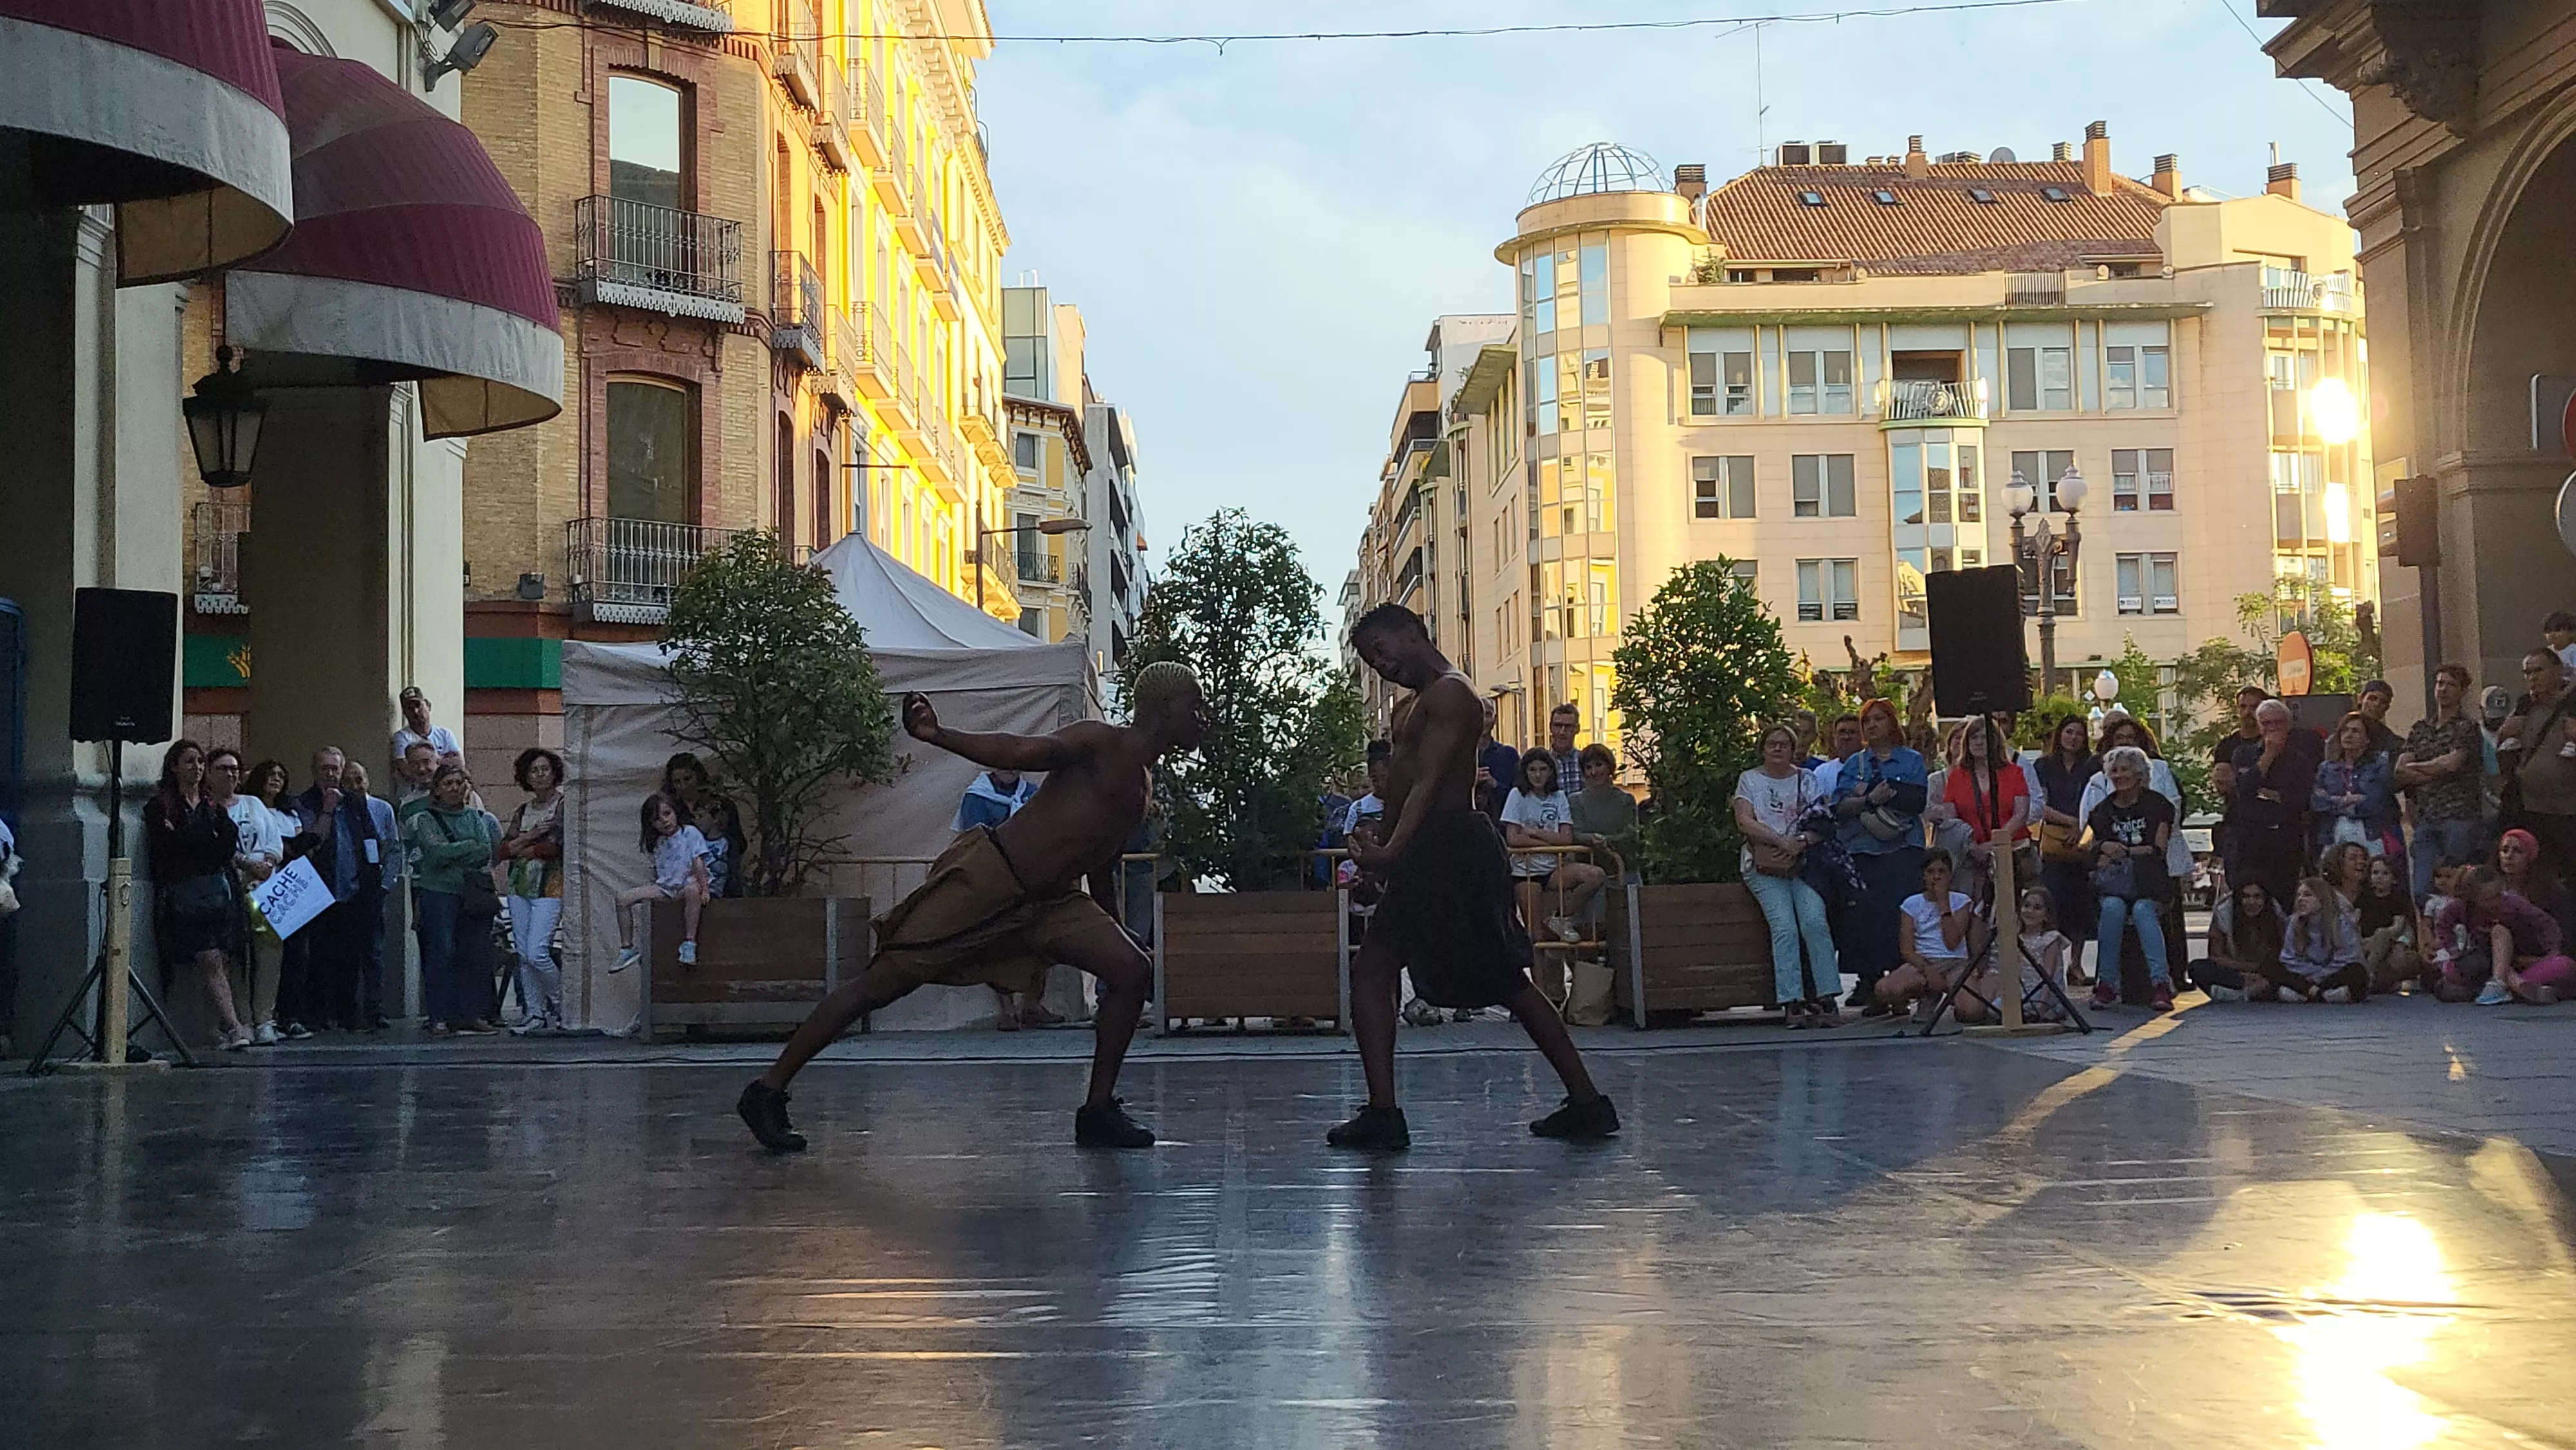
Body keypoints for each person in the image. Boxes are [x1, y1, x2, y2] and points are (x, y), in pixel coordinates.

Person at [737, 662, 1211, 1154]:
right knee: (879, 985)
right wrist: (938, 734)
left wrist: (1113, 925)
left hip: (1052, 903)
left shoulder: (1142, 783)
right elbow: (1019, 751)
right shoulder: (1099, 742)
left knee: (1131, 969)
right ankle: (767, 1090)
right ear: (1163, 708)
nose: (1203, 716)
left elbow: (1101, 859)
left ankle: (1098, 1111)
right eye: (1194, 704)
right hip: (991, 879)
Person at [1326, 603, 1615, 1150]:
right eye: (1369, 660)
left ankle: (1587, 1100)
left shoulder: (1453, 695)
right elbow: (1403, 785)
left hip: (1451, 852)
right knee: (1374, 969)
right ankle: (1383, 1111)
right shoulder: (1416, 704)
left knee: (1504, 980)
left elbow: (1429, 784)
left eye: (1381, 650)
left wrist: (1390, 852)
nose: (1380, 665)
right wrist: (1383, 852)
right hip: (1426, 852)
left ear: (1413, 633)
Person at [146, 740, 251, 1050]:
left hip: (216, 892)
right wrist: (201, 841)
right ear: (174, 767)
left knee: (221, 958)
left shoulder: (212, 807)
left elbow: (225, 846)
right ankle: (233, 1026)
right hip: (184, 895)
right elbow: (169, 850)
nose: (197, 768)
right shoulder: (162, 806)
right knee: (209, 957)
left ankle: (215, 1028)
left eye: (201, 762)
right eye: (190, 762)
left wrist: (192, 840)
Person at [1734, 723, 1840, 1026]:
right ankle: (1791, 999)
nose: (1778, 748)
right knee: (1784, 927)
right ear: (1763, 749)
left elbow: (1823, 822)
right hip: (1765, 864)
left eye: (1784, 744)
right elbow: (1744, 820)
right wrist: (1780, 841)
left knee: (1815, 923)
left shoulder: (1807, 779)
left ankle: (1826, 995)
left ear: (1794, 750)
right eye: (1772, 743)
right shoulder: (1749, 780)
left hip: (1804, 864)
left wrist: (1801, 842)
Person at [1830, 697, 1929, 1011]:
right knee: (1864, 920)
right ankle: (1870, 986)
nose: (1872, 725)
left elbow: (1916, 801)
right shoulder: (1854, 764)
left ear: (1891, 723)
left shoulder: (1911, 760)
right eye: (1867, 721)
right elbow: (1840, 806)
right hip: (1862, 850)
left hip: (1903, 849)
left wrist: (1874, 793)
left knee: (1899, 918)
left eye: (1878, 719)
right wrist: (1872, 798)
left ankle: (1899, 989)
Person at [949, 764, 1044, 1027]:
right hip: (994, 877)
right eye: (1006, 763)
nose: (1012, 769)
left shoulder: (1032, 793)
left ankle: (1032, 1004)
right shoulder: (977, 796)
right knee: (999, 942)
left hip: (1031, 876)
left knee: (1039, 937)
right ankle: (1007, 1010)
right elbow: (975, 838)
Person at [408, 764, 498, 1037]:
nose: (455, 788)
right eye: (448, 783)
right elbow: (435, 854)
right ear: (437, 789)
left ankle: (470, 1014)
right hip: (438, 893)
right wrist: (467, 846)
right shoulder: (426, 818)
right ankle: (439, 1016)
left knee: (471, 953)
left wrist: (455, 851)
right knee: (441, 952)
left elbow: (485, 851)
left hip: (470, 894)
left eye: (459, 783)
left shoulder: (474, 817)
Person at [2087, 745, 2178, 1012]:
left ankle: (2160, 983)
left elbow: (2157, 849)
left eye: (2125, 769)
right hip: (2115, 885)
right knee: (2112, 908)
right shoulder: (2102, 810)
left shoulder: (2158, 805)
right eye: (2114, 770)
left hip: (2150, 884)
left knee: (2142, 910)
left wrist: (2123, 851)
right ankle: (2107, 984)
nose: (2119, 775)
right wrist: (2105, 847)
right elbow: (2094, 852)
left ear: (2139, 773)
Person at [2397, 664, 2494, 900]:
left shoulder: (2467, 728)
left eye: (2451, 685)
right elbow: (2400, 770)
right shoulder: (2420, 729)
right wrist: (2433, 770)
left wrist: (2418, 770)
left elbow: (2451, 764)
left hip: (2459, 818)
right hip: (2427, 816)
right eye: (2440, 683)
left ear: (2462, 691)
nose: (2444, 689)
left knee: (2456, 887)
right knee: (2422, 890)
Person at [317, 760, 398, 1031]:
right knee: (346, 955)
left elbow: (393, 848)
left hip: (373, 891)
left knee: (374, 953)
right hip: (345, 892)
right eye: (349, 782)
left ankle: (375, 1010)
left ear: (367, 780)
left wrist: (386, 884)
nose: (355, 786)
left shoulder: (382, 809)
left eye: (359, 780)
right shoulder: (339, 811)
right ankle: (346, 1012)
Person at [1501, 751, 1606, 947]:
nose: (1538, 775)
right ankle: (1537, 968)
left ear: (1551, 772)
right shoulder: (1517, 795)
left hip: (1554, 869)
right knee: (1537, 937)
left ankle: (1561, 918)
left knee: (1595, 875)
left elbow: (1566, 838)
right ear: (1525, 772)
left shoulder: (1559, 797)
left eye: (1543, 769)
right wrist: (1551, 844)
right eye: (1532, 770)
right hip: (1526, 873)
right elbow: (1513, 838)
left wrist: (1535, 833)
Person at [222, 753, 292, 1044]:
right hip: (230, 886)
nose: (230, 775)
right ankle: (243, 1019)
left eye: (235, 769)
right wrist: (246, 865)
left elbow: (273, 839)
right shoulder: (210, 807)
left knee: (269, 949)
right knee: (236, 953)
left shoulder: (253, 804)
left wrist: (268, 863)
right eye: (223, 769)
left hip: (263, 887)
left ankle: (265, 1018)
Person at [498, 748, 567, 1035]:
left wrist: (524, 848)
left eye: (544, 769)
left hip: (551, 886)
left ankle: (563, 1005)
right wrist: (533, 836)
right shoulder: (523, 811)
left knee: (538, 951)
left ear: (554, 773)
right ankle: (534, 1013)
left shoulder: (563, 805)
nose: (539, 775)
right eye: (533, 771)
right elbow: (503, 850)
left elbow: (557, 848)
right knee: (524, 955)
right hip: (519, 886)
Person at [1878, 852, 1993, 1022]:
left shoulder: (1962, 901)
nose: (1936, 877)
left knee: (1972, 1012)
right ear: (1924, 875)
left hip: (1955, 962)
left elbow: (1952, 942)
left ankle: (1955, 999)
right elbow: (1907, 949)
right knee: (1886, 989)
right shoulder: (1911, 904)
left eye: (1942, 872)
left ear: (1950, 875)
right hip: (1923, 961)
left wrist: (1943, 903)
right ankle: (1927, 996)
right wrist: (1928, 969)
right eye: (1931, 872)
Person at [2226, 699, 2318, 909]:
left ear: (2288, 725)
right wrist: (2268, 756)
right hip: (2251, 839)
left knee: (2285, 899)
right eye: (2267, 723)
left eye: (2278, 722)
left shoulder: (2300, 760)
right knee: (2250, 897)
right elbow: (2244, 790)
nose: (2273, 728)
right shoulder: (2244, 754)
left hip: (2285, 839)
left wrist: (2272, 795)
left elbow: (2302, 799)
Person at [2032, 716, 2099, 985]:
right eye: (2069, 732)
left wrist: (2082, 826)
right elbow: (2040, 804)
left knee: (2081, 905)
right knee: (2053, 902)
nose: (2073, 738)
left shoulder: (2092, 766)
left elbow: (2098, 802)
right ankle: (2052, 965)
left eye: (2079, 734)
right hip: (2055, 841)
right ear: (2059, 734)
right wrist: (2070, 821)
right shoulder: (2044, 766)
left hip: (2084, 841)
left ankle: (2076, 964)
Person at [2499, 649, 2576, 881]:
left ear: (2558, 670)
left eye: (2539, 670)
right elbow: (2504, 754)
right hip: (2531, 809)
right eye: (2528, 673)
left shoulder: (2571, 704)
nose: (2533, 678)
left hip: (2568, 811)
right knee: (2538, 876)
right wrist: (2505, 734)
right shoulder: (2525, 706)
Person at [1941, 714, 2030, 906]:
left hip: (2012, 854)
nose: (1979, 742)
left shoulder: (2015, 773)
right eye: (1974, 737)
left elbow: (2021, 814)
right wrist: (1973, 847)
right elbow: (1951, 820)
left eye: (1985, 737)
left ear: (1996, 741)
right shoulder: (1956, 777)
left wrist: (1995, 844)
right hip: (1971, 856)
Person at [614, 793, 709, 971]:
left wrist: (704, 888)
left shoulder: (689, 833)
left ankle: (690, 943)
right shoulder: (659, 842)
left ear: (675, 812)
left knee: (692, 890)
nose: (664, 821)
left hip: (685, 885)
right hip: (666, 888)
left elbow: (698, 862)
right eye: (657, 819)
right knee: (622, 899)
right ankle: (627, 947)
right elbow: (659, 870)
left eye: (667, 814)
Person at [2456, 863, 2573, 1005]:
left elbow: (2545, 923)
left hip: (2518, 956)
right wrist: (2450, 948)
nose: (2497, 901)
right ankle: (2514, 986)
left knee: (2564, 965)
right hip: (2484, 960)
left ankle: (2515, 986)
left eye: (2499, 895)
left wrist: (2552, 950)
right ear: (2474, 899)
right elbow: (2444, 925)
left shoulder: (2513, 903)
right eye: (2489, 899)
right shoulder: (2463, 909)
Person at [2313, 712, 2401, 862]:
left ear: (2367, 739)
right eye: (2345, 730)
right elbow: (2317, 801)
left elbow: (2377, 801)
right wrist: (2345, 801)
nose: (2349, 735)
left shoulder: (2379, 765)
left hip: (2372, 835)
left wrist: (2335, 802)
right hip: (2334, 837)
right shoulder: (2327, 768)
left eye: (2356, 731)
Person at [662, 752, 748, 898]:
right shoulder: (671, 810)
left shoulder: (722, 805)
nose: (683, 786)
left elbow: (739, 844)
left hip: (724, 883)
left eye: (687, 779)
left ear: (698, 776)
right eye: (677, 782)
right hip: (685, 884)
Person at [2274, 875, 2371, 1003]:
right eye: (2299, 895)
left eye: (2308, 895)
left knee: (2357, 971)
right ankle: (2321, 994)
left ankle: (2311, 993)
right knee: (2274, 967)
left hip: (2331, 976)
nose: (2301, 899)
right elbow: (2288, 959)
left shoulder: (2341, 923)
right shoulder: (2294, 922)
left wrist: (2322, 976)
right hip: (2305, 976)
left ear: (2322, 899)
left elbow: (2349, 958)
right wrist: (2313, 974)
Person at [2188, 880, 2287, 1001]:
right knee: (2197, 968)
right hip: (2236, 973)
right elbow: (2216, 956)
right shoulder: (2224, 914)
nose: (2252, 902)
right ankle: (2251, 992)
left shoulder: (2276, 915)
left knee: (2284, 972)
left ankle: (2241, 994)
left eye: (2257, 897)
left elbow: (2283, 954)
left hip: (2265, 972)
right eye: (2246, 897)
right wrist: (2245, 974)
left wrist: (2261, 971)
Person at [2209, 684, 2269, 867]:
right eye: (2243, 707)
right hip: (2236, 822)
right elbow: (2222, 784)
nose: (2248, 712)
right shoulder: (2227, 746)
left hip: (2269, 825)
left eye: (2254, 707)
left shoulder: (2273, 744)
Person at [1569, 744, 1640, 886]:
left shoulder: (1626, 800)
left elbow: (1631, 836)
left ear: (1609, 767)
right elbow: (1576, 834)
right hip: (1588, 875)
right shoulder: (1575, 801)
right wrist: (1592, 839)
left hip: (1625, 871)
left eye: (1599, 765)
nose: (1594, 772)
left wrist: (1606, 841)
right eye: (1588, 767)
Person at [2494, 826, 2576, 943]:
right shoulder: (2490, 887)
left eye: (2518, 851)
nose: (2509, 856)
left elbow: (2563, 933)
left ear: (2530, 857)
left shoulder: (2551, 892)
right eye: (2504, 850)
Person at [2357, 853, 2422, 993]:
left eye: (2385, 873)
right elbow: (2356, 924)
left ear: (2394, 879)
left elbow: (2398, 927)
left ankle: (2368, 976)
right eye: (2375, 873)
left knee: (2384, 936)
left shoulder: (2399, 898)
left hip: (2391, 944)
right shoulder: (2363, 897)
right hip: (2366, 945)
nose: (2379, 877)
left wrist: (2381, 938)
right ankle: (2374, 979)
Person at [391, 686, 463, 774]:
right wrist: (443, 761)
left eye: (418, 706)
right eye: (410, 708)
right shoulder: (401, 738)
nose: (415, 711)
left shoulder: (444, 734)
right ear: (405, 713)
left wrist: (431, 762)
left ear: (428, 706)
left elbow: (459, 763)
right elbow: (405, 770)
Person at [1473, 696, 1519, 822]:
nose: (1483, 720)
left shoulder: (1508, 755)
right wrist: (1471, 782)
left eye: (1488, 714)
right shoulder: (1459, 756)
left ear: (1496, 719)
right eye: (1478, 714)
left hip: (1501, 824)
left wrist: (1494, 784)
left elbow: (1519, 796)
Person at [1812, 712, 1864, 796]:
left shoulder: (1871, 767)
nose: (1846, 737)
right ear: (1834, 736)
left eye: (1852, 732)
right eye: (1842, 732)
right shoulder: (1822, 772)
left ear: (1862, 737)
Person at [2353, 679, 2403, 762]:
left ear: (2387, 708)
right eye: (2372, 698)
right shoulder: (2344, 730)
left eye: (2383, 702)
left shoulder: (2390, 740)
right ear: (2361, 699)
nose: (2377, 704)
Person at [1544, 701, 1584, 795]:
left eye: (1568, 726)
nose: (1562, 732)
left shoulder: (1585, 761)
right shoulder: (1542, 763)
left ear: (1577, 729)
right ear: (1550, 727)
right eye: (1558, 726)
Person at [2546, 610, 2576, 675]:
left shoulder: (2573, 651)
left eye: (2557, 630)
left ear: (2571, 632)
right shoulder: (2547, 651)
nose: (2552, 634)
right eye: (2549, 631)